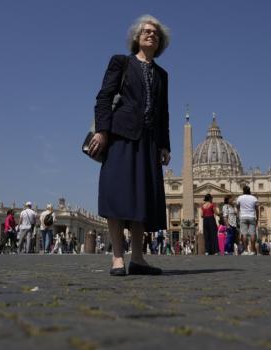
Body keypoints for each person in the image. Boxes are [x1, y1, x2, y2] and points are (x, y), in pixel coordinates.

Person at [89, 15, 171, 276]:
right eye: (146, 31)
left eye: (156, 33)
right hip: (121, 135)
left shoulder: (162, 74)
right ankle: (117, 258)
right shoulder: (121, 62)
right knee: (116, 195)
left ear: (160, 42)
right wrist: (102, 131)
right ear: (137, 37)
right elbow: (104, 96)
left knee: (141, 200)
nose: (151, 35)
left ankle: (138, 258)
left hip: (149, 141)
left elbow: (163, 112)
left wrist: (165, 145)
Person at [237, 185, 259, 255]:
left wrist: (238, 215)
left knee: (244, 234)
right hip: (252, 217)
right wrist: (257, 218)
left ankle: (246, 251)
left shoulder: (240, 198)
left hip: (243, 217)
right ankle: (252, 251)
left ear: (243, 191)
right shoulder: (254, 198)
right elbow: (257, 209)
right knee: (253, 234)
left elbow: (237, 207)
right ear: (250, 191)